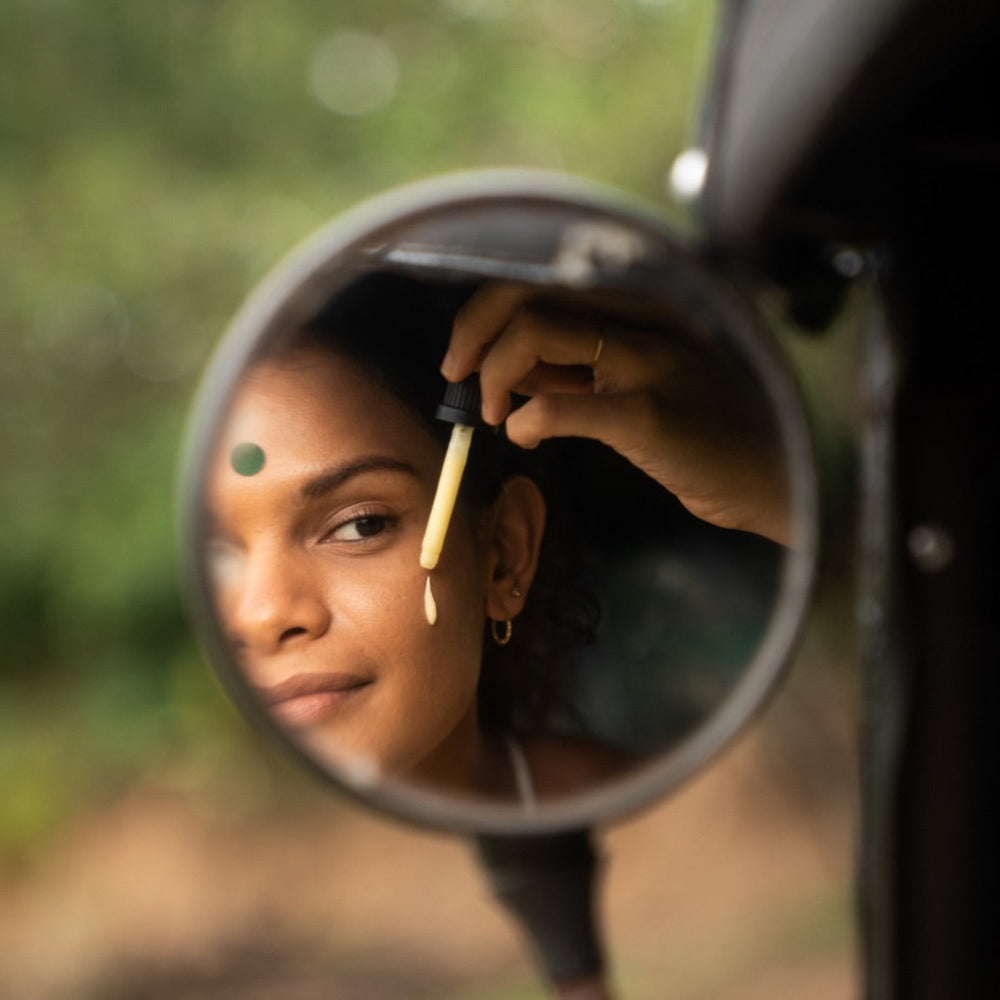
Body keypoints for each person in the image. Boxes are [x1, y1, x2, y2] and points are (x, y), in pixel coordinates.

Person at [203, 273, 787, 806]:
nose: (263, 615)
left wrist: (777, 489)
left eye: (361, 524)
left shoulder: (650, 818)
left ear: (505, 556)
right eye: (216, 553)